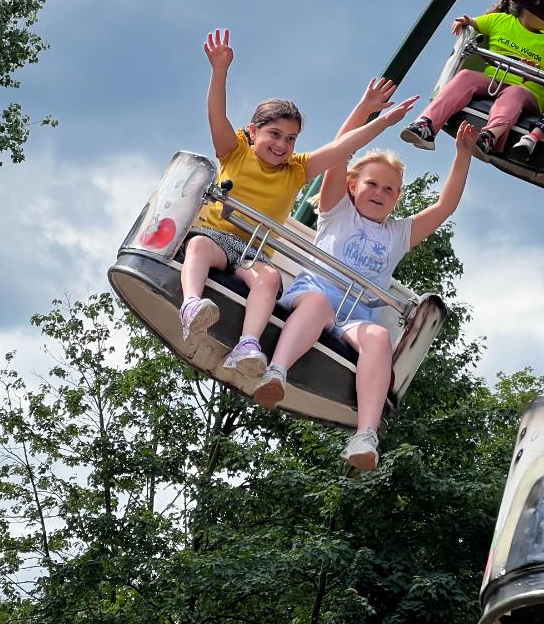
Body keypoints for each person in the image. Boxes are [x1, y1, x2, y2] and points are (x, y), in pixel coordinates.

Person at [179, 29, 418, 381]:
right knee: (198, 245)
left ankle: (248, 344)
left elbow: (341, 148)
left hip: (252, 250)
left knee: (270, 278)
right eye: (274, 134)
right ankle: (191, 304)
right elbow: (217, 115)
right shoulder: (236, 151)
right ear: (254, 131)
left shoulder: (297, 170)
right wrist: (220, 72)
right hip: (216, 235)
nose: (282, 145)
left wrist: (380, 121)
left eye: (290, 139)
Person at [252, 119, 480, 472]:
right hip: (316, 291)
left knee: (377, 337)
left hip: (358, 312)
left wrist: (463, 155)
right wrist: (367, 112)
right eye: (372, 184)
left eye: (389, 190)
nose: (379, 193)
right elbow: (341, 148)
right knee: (318, 304)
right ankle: (276, 372)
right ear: (352, 185)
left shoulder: (398, 234)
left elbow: (444, 207)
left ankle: (365, 435)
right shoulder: (337, 210)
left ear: (397, 198)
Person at [400, 0, 544, 155]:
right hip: (494, 80)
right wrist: (463, 22)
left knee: (514, 92)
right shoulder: (500, 20)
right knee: (466, 76)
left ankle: (489, 136)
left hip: (526, 90)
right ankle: (427, 124)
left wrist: (534, 72)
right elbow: (472, 22)